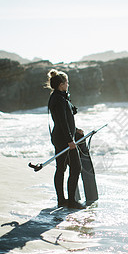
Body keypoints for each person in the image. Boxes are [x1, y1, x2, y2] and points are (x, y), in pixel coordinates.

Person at [47, 69, 85, 209]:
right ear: (61, 84)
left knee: (61, 168)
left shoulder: (59, 97)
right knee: (76, 167)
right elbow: (62, 121)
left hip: (60, 137)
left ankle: (62, 200)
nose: (68, 85)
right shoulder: (59, 99)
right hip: (64, 139)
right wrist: (70, 140)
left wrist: (76, 130)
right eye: (67, 82)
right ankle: (71, 201)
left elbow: (66, 119)